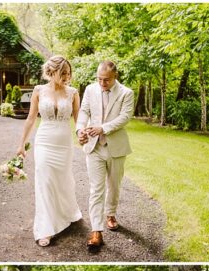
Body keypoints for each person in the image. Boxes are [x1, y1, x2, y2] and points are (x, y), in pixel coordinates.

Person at [17, 55, 83, 248]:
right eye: (63, 73)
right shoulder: (39, 91)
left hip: (64, 143)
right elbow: (30, 119)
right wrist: (21, 144)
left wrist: (81, 134)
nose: (67, 77)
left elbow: (78, 119)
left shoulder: (73, 92)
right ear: (52, 72)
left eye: (69, 73)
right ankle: (45, 228)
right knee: (44, 182)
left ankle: (67, 212)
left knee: (63, 181)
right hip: (44, 142)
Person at [77, 60, 135, 253]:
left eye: (106, 80)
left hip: (116, 147)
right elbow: (84, 111)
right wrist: (80, 130)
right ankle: (96, 231)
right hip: (94, 148)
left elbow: (125, 117)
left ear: (115, 76)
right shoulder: (90, 90)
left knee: (114, 185)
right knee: (96, 189)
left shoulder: (126, 93)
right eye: (99, 79)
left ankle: (110, 214)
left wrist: (103, 128)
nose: (102, 83)